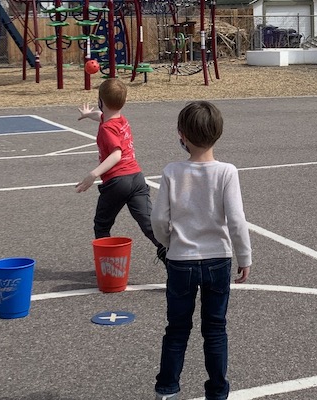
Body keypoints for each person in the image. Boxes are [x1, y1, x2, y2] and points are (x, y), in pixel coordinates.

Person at [151, 101, 252, 400]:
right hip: (218, 260)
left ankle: (167, 389)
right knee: (215, 329)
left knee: (177, 329)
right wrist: (244, 256)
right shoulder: (226, 172)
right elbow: (236, 220)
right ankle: (218, 391)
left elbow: (158, 219)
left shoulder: (172, 171)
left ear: (181, 135)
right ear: (218, 133)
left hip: (181, 260)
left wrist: (168, 243)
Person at [75, 78, 166, 262]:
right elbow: (101, 115)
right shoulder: (121, 120)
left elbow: (116, 155)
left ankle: (107, 265)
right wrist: (88, 115)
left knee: (101, 225)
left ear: (101, 101)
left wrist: (93, 174)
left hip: (118, 182)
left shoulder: (107, 128)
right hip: (137, 179)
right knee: (148, 225)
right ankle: (169, 255)